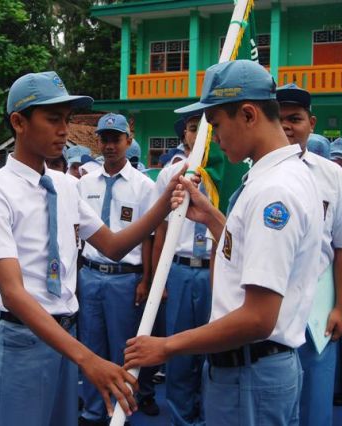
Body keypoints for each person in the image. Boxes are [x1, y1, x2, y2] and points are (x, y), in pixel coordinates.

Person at [0, 71, 178, 426]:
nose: (64, 129)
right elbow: (14, 292)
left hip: (65, 336)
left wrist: (163, 204)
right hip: (24, 340)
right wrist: (88, 359)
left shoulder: (67, 186)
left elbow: (113, 246)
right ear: (19, 122)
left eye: (65, 120)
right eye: (52, 119)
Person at [124, 60, 324, 426]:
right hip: (250, 368)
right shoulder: (277, 176)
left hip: (250, 371)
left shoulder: (274, 192)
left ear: (248, 114)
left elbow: (258, 318)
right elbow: (249, 251)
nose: (213, 139)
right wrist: (215, 219)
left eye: (216, 125)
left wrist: (167, 346)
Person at [276, 83, 342, 426]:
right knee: (268, 402)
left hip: (316, 313)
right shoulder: (250, 172)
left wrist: (341, 308)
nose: (286, 126)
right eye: (278, 118)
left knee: (315, 404)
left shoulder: (333, 177)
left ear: (311, 123)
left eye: (295, 118)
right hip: (265, 309)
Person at [77, 113, 158, 424]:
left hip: (125, 279)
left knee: (123, 347)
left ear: (128, 140)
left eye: (116, 139)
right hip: (90, 273)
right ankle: (93, 409)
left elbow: (149, 238)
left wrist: (146, 280)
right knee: (92, 345)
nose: (110, 145)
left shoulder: (143, 186)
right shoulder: (84, 184)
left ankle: (121, 412)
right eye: (104, 139)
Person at [150, 110, 213, 426]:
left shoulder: (228, 172)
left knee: (215, 351)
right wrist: (158, 281)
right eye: (192, 128)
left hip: (216, 271)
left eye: (204, 128)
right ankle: (181, 418)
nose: (198, 134)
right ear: (185, 136)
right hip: (181, 270)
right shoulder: (170, 175)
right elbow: (160, 230)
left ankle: (211, 415)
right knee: (179, 353)